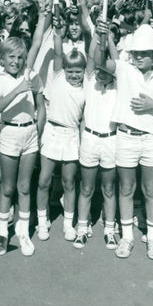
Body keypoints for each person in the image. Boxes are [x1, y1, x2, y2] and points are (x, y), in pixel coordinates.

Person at [102, 24, 153, 260]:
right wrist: (102, 35)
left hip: (151, 139)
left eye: (145, 52)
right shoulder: (123, 68)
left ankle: (152, 238)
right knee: (126, 188)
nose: (139, 56)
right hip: (126, 137)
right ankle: (127, 237)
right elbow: (99, 60)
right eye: (136, 52)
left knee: (152, 189)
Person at [0, 36, 44, 256]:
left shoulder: (31, 76)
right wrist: (19, 89)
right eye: (11, 56)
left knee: (24, 187)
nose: (16, 61)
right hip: (8, 133)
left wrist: (37, 130)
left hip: (30, 134)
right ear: (2, 59)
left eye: (20, 57)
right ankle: (2, 233)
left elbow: (40, 105)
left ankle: (23, 232)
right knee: (8, 187)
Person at [36, 14, 86, 245]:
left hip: (71, 136)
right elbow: (58, 52)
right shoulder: (57, 77)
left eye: (78, 71)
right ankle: (42, 220)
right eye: (70, 70)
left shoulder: (85, 89)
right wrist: (57, 31)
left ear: (84, 71)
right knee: (44, 180)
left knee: (69, 182)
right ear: (63, 69)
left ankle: (68, 223)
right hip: (52, 133)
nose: (74, 75)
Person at [74, 18, 118, 249]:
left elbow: (116, 62)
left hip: (111, 142)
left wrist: (108, 37)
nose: (100, 73)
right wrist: (98, 35)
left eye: (106, 71)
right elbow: (92, 58)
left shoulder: (119, 87)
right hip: (90, 139)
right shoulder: (89, 81)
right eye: (99, 70)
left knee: (109, 189)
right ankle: (82, 227)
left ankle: (110, 230)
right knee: (86, 188)